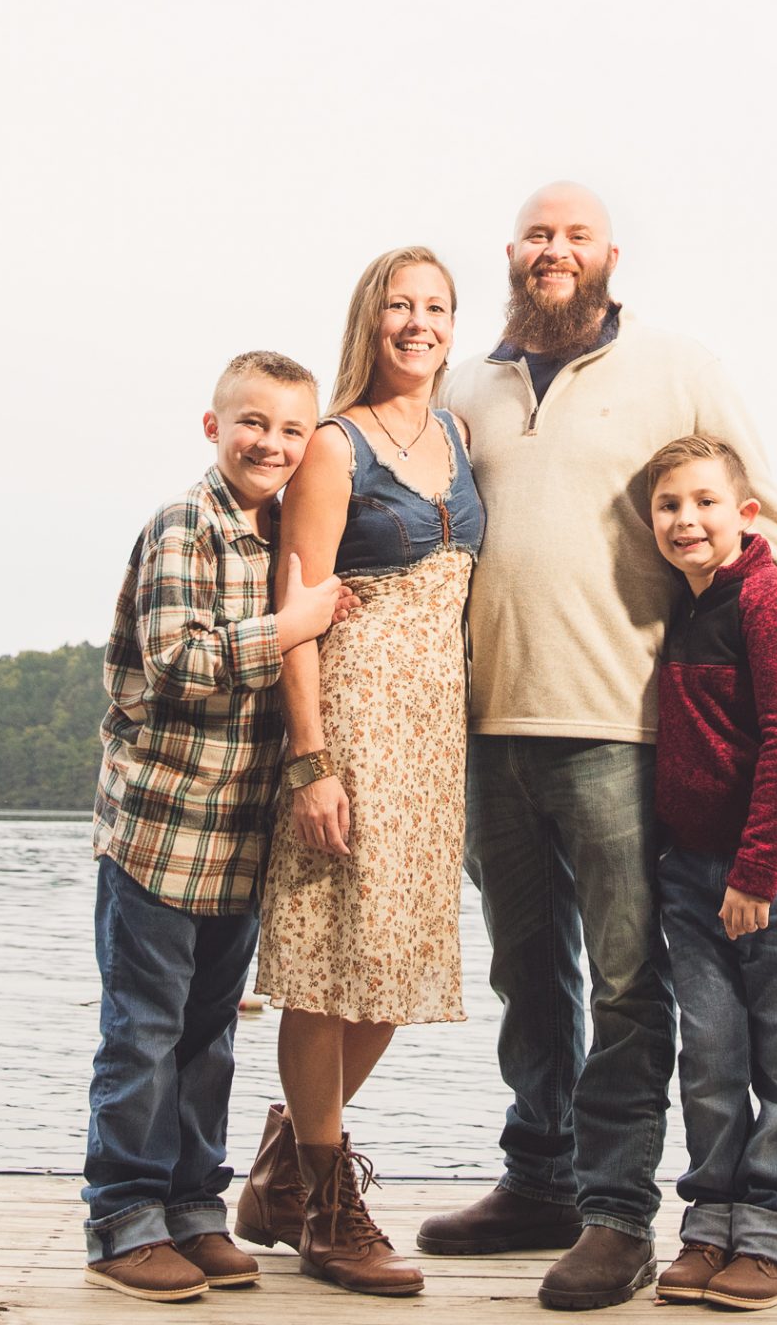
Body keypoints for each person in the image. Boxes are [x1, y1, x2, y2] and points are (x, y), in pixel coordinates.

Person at [416, 182, 777, 1312]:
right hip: (490, 730)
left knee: (627, 983)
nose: (552, 248)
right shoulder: (466, 383)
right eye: (535, 233)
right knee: (527, 974)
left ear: (610, 253)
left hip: (620, 729)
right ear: (510, 253)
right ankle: (540, 1177)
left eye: (575, 234)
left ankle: (616, 1215)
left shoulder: (675, 367)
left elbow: (764, 525)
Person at [83, 351, 356, 1304]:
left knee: (210, 1039)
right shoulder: (182, 528)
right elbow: (177, 663)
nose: (270, 444)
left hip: (241, 844)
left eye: (290, 430)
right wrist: (293, 624)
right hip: (161, 836)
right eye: (252, 423)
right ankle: (122, 1220)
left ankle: (194, 1209)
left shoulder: (286, 531)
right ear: (213, 427)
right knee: (142, 1035)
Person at [239, 247, 484, 1299]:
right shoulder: (333, 446)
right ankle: (328, 1209)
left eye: (434, 307)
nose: (417, 323)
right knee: (331, 962)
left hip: (436, 732)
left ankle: (283, 1171)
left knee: (393, 967)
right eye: (400, 305)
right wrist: (313, 761)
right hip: (353, 717)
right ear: (369, 318)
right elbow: (299, 616)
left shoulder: (458, 436)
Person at [648, 435, 777, 1311]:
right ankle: (709, 1224)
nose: (686, 520)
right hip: (689, 870)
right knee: (712, 1055)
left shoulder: (769, 600)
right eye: (668, 506)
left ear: (746, 515)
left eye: (703, 503)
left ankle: (770, 1234)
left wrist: (757, 873)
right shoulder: (685, 604)